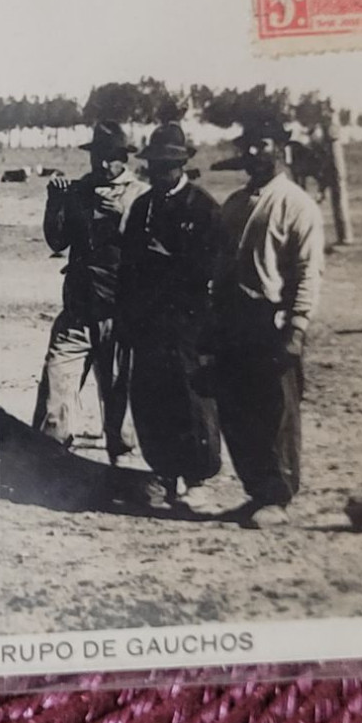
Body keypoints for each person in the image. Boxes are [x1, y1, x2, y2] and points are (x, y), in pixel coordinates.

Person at [211, 117, 326, 527]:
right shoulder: (235, 204)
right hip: (233, 322)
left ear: (280, 147)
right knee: (236, 411)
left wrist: (296, 329)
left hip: (271, 322)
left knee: (276, 411)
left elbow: (308, 271)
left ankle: (278, 497)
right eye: (248, 145)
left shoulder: (297, 204)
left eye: (262, 145)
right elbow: (219, 265)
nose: (253, 153)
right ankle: (256, 490)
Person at [116, 121, 223, 508]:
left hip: (188, 324)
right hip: (147, 323)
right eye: (154, 165)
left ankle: (197, 478)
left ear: (182, 165)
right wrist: (126, 318)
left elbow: (211, 269)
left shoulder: (205, 208)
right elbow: (126, 267)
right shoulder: (143, 206)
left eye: (168, 165)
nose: (160, 173)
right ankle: (163, 474)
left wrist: (172, 262)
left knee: (189, 399)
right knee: (149, 398)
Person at [31, 120, 147, 462]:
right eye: (98, 155)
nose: (103, 164)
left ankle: (122, 461)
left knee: (119, 397)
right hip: (79, 309)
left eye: (111, 157)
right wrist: (55, 203)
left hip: (121, 312)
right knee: (57, 386)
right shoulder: (80, 190)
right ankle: (48, 459)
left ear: (123, 158)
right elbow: (57, 240)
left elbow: (154, 250)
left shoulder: (139, 194)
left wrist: (125, 219)